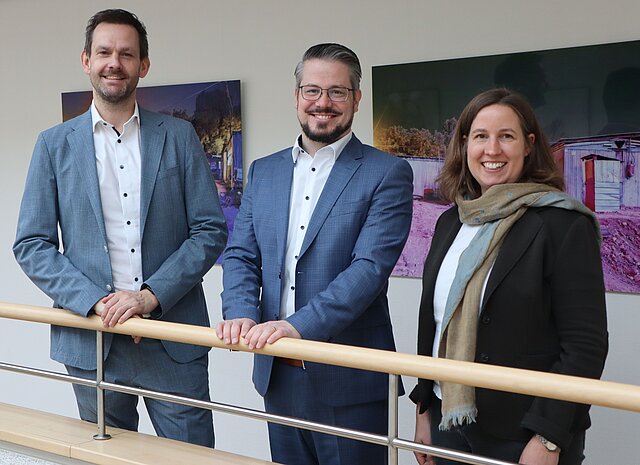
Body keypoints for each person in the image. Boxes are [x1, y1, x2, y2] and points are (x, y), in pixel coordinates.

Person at [13, 9, 227, 447]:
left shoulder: (180, 136)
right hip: (95, 342)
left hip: (173, 336)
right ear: (86, 60)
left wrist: (148, 297)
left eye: (127, 54)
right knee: (106, 459)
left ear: (143, 65)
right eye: (105, 52)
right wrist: (96, 302)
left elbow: (209, 230)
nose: (115, 62)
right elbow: (32, 244)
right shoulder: (53, 145)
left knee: (191, 459)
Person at [217, 43, 413, 464]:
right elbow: (240, 255)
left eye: (337, 92)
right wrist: (239, 310)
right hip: (277, 372)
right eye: (312, 91)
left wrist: (295, 327)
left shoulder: (387, 173)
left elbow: (369, 270)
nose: (323, 103)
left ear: (357, 100)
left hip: (349, 379)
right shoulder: (263, 171)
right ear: (296, 96)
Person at [411, 88, 608, 465]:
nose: (492, 150)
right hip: (447, 419)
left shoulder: (563, 224)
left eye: (507, 136)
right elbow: (434, 326)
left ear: (529, 145)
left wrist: (549, 438)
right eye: (481, 136)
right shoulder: (451, 221)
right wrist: (424, 411)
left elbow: (585, 345)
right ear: (465, 144)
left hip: (523, 433)